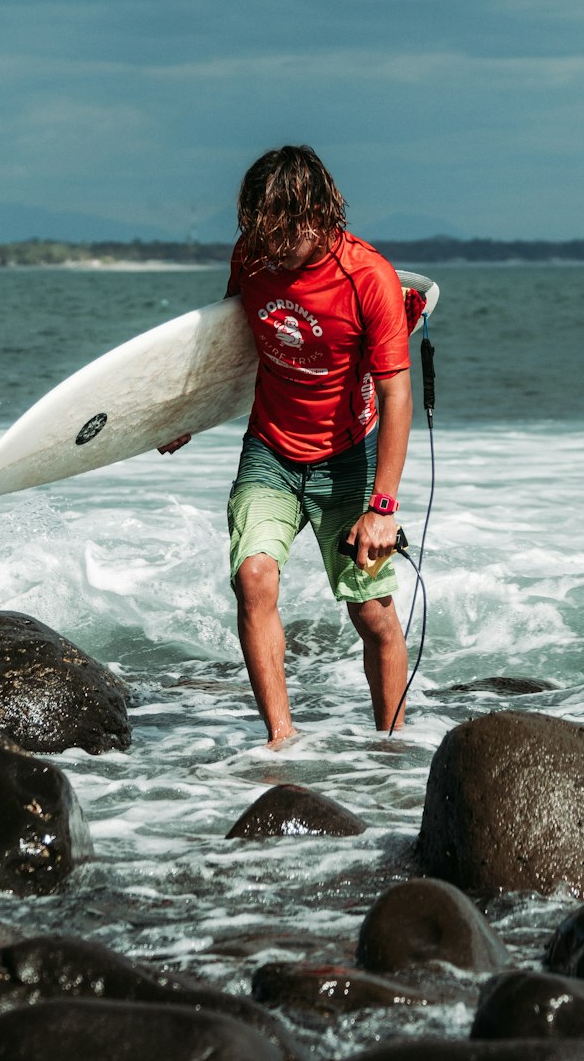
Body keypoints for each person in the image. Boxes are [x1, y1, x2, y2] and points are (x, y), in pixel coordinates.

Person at [160, 145, 419, 746]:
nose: (270, 249)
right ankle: (282, 742)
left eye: (283, 234)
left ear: (320, 216)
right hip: (270, 451)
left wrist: (382, 506)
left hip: (348, 459)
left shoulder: (367, 279)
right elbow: (234, 343)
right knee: (253, 577)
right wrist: (189, 414)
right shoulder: (253, 256)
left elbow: (397, 396)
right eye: (260, 232)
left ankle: (391, 749)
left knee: (372, 612)